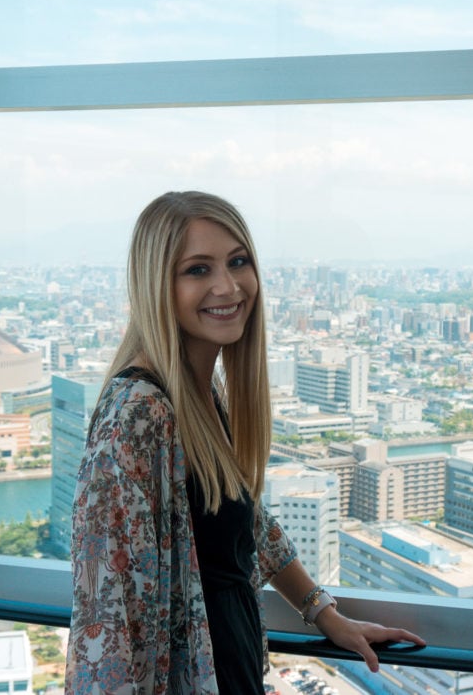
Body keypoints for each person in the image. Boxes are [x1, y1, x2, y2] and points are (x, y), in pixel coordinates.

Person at [65, 191, 424, 694]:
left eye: (238, 261)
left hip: (231, 672)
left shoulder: (198, 392)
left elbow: (244, 519)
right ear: (156, 285)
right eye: (197, 269)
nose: (227, 286)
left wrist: (323, 612)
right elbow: (106, 617)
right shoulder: (138, 414)